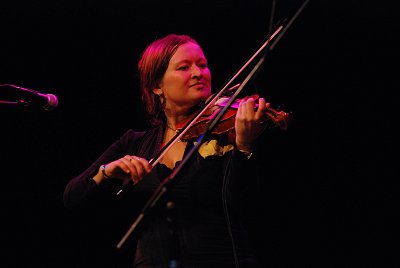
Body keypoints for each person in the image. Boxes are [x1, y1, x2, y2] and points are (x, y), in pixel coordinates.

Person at [63, 33, 270, 268]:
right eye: (184, 67)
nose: (198, 73)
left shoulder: (227, 129)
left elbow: (245, 205)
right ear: (156, 86)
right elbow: (72, 197)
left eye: (202, 65)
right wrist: (106, 172)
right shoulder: (134, 143)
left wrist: (243, 146)